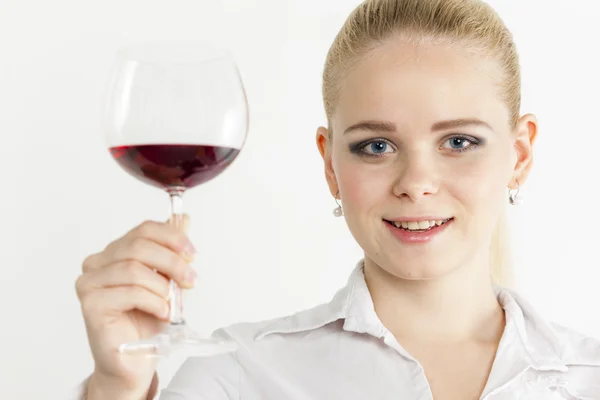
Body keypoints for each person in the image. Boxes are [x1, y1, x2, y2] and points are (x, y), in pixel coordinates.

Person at [73, 0, 600, 398]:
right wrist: (115, 386)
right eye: (377, 145)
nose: (416, 182)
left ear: (520, 154)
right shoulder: (237, 378)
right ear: (330, 164)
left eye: (458, 142)